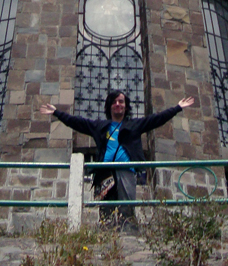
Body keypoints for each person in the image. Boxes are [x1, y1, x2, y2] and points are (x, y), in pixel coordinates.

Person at [40, 90, 195, 223]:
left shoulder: (134, 125)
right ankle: (106, 236)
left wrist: (177, 108)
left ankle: (129, 234)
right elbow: (77, 122)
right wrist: (57, 113)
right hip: (105, 174)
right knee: (106, 211)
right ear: (109, 106)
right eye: (114, 102)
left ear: (126, 106)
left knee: (126, 209)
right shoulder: (101, 127)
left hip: (126, 172)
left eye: (121, 101)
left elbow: (156, 119)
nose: (118, 104)